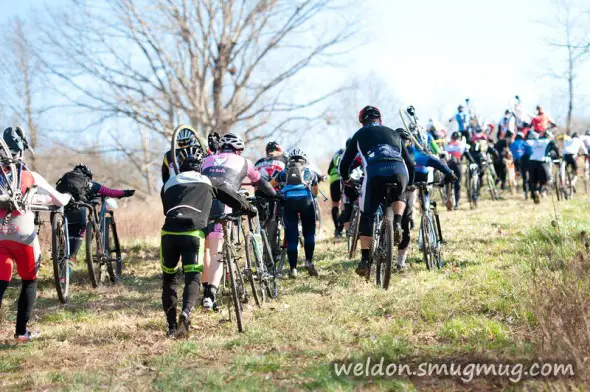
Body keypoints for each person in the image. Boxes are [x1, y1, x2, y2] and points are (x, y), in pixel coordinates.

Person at [160, 153, 255, 338]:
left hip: (168, 233)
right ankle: (185, 314)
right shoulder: (208, 180)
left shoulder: (169, 183)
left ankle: (171, 327)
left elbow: (166, 208)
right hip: (193, 233)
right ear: (200, 168)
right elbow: (233, 198)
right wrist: (249, 209)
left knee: (168, 280)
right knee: (192, 277)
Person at [0, 127, 72, 341]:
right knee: (29, 281)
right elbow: (60, 201)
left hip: (0, 238)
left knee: (1, 282)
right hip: (23, 237)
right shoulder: (31, 176)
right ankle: (22, 333)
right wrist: (68, 195)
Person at [200, 133, 276, 310]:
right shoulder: (245, 162)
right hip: (223, 205)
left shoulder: (206, 160)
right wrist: (275, 196)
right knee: (217, 253)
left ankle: (205, 290)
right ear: (239, 150)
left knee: (205, 251)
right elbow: (261, 183)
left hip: (201, 205)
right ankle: (211, 294)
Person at [339, 106, 415, 277]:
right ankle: (396, 222)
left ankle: (365, 260)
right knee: (400, 193)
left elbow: (345, 163)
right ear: (380, 119)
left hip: (375, 172)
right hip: (399, 170)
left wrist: (346, 179)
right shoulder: (393, 133)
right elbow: (410, 163)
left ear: (362, 122)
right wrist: (409, 184)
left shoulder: (359, 135)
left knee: (367, 215)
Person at [56, 165, 135, 270]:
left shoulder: (64, 181)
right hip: (79, 212)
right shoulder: (88, 183)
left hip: (62, 212)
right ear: (87, 176)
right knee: (74, 245)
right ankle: (65, 274)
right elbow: (110, 192)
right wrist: (125, 193)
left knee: (65, 238)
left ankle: (60, 264)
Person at [271, 148, 319, 278]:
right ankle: (309, 261)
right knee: (309, 233)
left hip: (289, 202)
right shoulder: (310, 172)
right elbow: (315, 192)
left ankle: (293, 269)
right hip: (306, 202)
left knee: (291, 236)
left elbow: (271, 184)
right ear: (304, 161)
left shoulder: (284, 172)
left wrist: (277, 194)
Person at [526, 131, 560, 203]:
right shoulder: (548, 141)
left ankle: (534, 192)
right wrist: (558, 156)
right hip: (542, 162)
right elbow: (555, 148)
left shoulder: (534, 141)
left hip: (531, 161)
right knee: (545, 179)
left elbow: (527, 144)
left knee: (533, 180)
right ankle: (539, 191)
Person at [444, 132, 475, 209]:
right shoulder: (462, 144)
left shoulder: (447, 144)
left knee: (448, 183)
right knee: (457, 184)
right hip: (458, 164)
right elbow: (467, 155)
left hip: (448, 165)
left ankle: (448, 198)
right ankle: (456, 203)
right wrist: (472, 161)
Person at [327, 148, 345, 238]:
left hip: (334, 181)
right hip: (344, 180)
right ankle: (340, 228)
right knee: (345, 205)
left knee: (335, 205)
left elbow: (328, 171)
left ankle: (337, 229)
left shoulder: (335, 155)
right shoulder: (347, 153)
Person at [510, 132, 529, 197]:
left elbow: (511, 151)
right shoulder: (524, 143)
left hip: (515, 161)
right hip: (524, 161)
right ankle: (525, 190)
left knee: (516, 174)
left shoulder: (513, 143)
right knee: (525, 176)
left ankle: (516, 185)